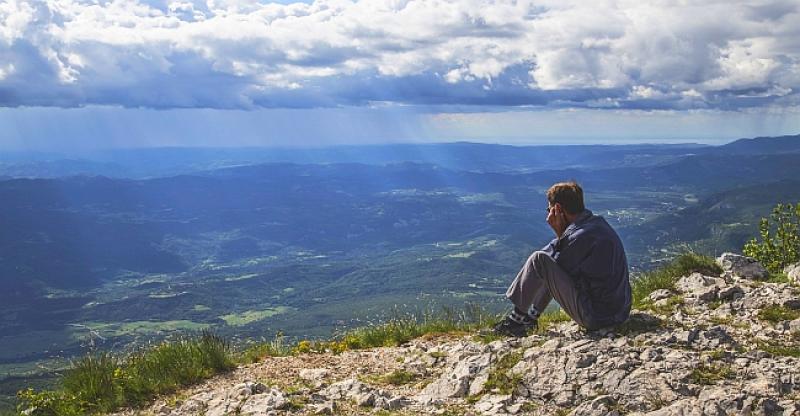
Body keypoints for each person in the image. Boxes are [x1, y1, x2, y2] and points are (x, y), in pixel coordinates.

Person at [493, 181, 631, 337]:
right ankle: (529, 319)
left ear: (558, 209)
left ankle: (515, 322)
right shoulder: (593, 225)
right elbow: (553, 256)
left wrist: (560, 233)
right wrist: (562, 237)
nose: (548, 215)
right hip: (619, 311)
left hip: (598, 317)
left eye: (549, 209)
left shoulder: (580, 236)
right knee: (545, 260)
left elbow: (554, 263)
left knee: (538, 259)